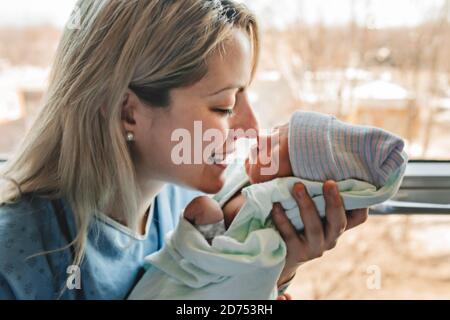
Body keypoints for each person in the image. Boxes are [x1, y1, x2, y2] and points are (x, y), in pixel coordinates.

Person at [0, 0, 368, 300]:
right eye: (223, 106)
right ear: (129, 111)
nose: (251, 128)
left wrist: (279, 269)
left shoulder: (192, 201)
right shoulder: (17, 262)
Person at [128, 111, 407, 300]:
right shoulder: (229, 180)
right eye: (223, 105)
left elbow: (237, 271)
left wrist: (280, 273)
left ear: (294, 183)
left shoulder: (258, 204)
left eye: (276, 147)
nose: (259, 135)